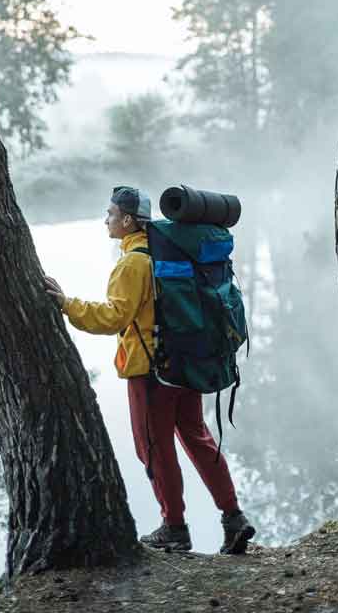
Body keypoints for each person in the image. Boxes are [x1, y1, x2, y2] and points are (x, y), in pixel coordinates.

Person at [45, 185, 255, 554]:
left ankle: (174, 527)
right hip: (187, 361)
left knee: (155, 449)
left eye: (110, 214)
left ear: (127, 221)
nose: (105, 220)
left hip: (151, 373)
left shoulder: (133, 263)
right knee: (198, 437)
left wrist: (66, 303)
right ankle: (233, 517)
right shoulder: (168, 253)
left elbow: (112, 317)